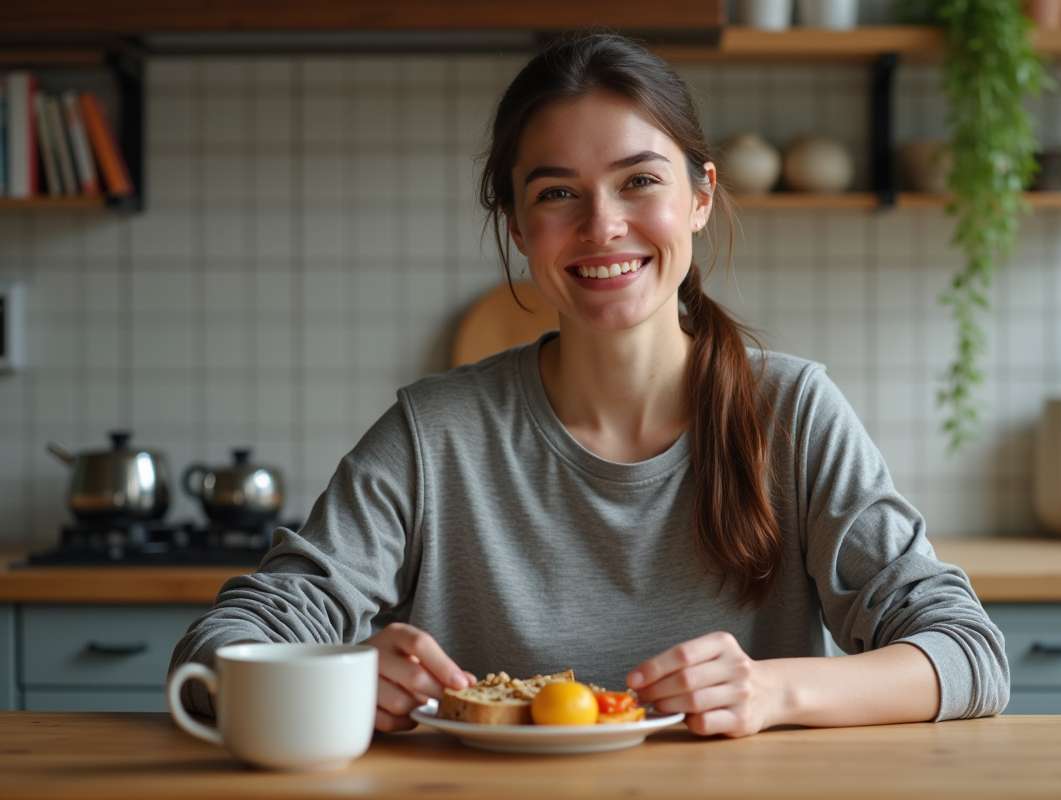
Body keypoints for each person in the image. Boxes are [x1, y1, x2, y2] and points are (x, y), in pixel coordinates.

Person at [171, 32, 1008, 738]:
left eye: (640, 180)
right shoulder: (434, 434)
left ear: (700, 197)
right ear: (519, 227)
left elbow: (969, 653)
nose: (602, 225)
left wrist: (774, 690)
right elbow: (223, 642)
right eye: (557, 193)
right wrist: (342, 673)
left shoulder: (790, 413)